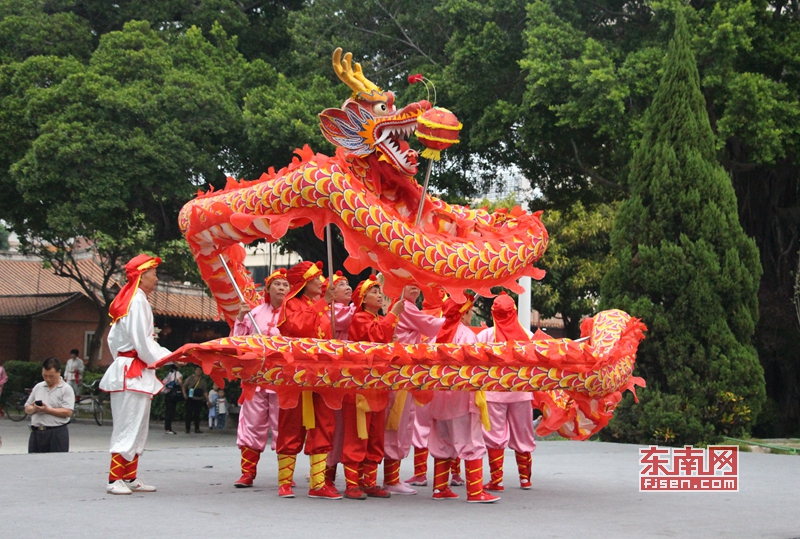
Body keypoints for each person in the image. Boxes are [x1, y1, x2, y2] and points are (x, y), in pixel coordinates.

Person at [100, 253, 172, 495]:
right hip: (132, 371)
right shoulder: (136, 302)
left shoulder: (133, 299)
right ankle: (114, 479)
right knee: (128, 424)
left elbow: (116, 341)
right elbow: (143, 343)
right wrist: (167, 357)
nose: (157, 278)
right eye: (154, 274)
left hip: (134, 370)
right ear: (141, 276)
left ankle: (129, 476)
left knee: (138, 425)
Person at [275, 260, 340, 500]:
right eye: (317, 278)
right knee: (291, 423)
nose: (322, 282)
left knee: (324, 423)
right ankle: (284, 481)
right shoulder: (291, 303)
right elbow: (298, 326)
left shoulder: (321, 305)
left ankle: (318, 482)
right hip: (297, 373)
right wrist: (325, 303)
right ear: (305, 282)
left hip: (322, 374)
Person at [427, 295, 499, 503]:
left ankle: (440, 488)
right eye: (470, 312)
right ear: (464, 313)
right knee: (471, 441)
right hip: (461, 399)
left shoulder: (436, 336)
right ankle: (476, 492)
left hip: (439, 400)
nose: (471, 316)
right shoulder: (467, 336)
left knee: (442, 442)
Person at [340, 275, 404, 500]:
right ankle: (351, 484)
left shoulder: (377, 319)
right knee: (358, 433)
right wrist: (394, 313)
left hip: (377, 385)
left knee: (375, 434)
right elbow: (376, 337)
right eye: (374, 292)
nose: (380, 295)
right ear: (363, 299)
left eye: (379, 291)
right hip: (360, 385)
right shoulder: (359, 318)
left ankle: (368, 481)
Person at [384, 284, 444, 495]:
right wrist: (450, 317)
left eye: (418, 286)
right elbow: (430, 326)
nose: (416, 289)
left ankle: (393, 477)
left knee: (403, 423)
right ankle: (390, 479)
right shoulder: (406, 307)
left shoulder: (405, 306)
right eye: (410, 285)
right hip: (400, 373)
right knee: (396, 424)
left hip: (404, 373)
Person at [232, 268, 289, 488]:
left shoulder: (293, 313)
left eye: (285, 285)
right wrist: (240, 318)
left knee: (281, 426)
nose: (281, 288)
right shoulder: (254, 313)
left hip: (281, 380)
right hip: (256, 378)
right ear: (268, 288)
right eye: (277, 284)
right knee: (252, 425)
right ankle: (247, 473)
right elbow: (238, 342)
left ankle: (285, 477)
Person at [476, 293, 536, 491]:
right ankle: (525, 479)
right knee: (524, 434)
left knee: (494, 436)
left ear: (493, 313)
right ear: (515, 313)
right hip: (521, 392)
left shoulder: (485, 336)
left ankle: (497, 481)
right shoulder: (527, 335)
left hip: (494, 393)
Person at [24, 357, 74, 453]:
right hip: (37, 432)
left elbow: (68, 412)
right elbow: (27, 407)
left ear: (59, 372)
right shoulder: (38, 387)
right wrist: (34, 409)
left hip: (56, 432)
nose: (48, 379)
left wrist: (47, 410)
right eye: (45, 376)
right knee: (34, 463)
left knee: (55, 463)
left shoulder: (66, 389)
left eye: (51, 376)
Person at [183, 367, 207, 434]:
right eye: (197, 370)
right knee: (189, 414)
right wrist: (184, 394)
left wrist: (208, 400)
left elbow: (205, 391)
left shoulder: (202, 380)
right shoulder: (190, 378)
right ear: (194, 371)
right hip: (190, 399)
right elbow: (184, 386)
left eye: (200, 370)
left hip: (199, 399)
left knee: (197, 414)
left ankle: (197, 428)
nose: (198, 371)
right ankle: (187, 428)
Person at [160, 364, 183, 434]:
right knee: (171, 412)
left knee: (168, 411)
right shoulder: (177, 373)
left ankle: (167, 428)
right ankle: (168, 429)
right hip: (173, 394)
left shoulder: (169, 374)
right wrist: (183, 389)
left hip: (167, 394)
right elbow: (180, 382)